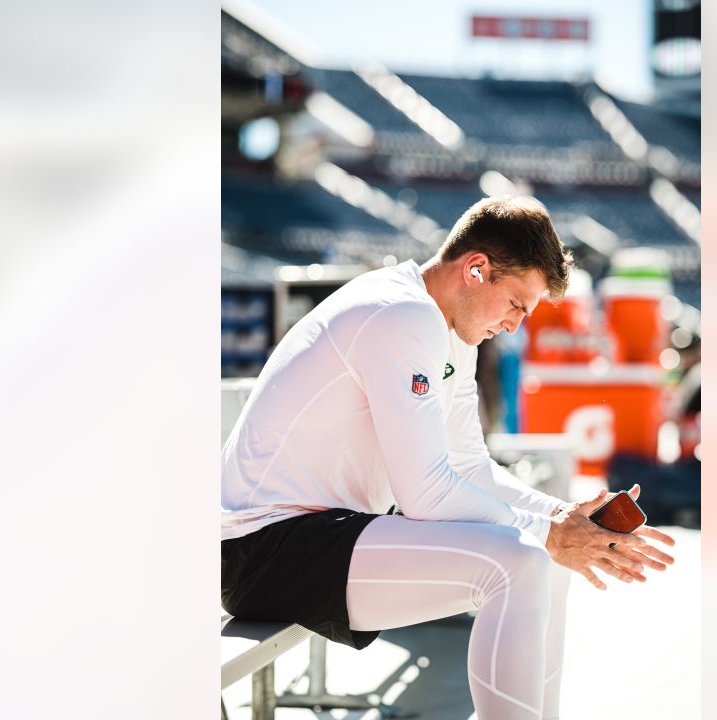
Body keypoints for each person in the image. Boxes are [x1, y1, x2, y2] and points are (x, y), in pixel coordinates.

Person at [221, 195, 676, 719]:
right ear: (476, 270)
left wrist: (559, 517)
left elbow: (468, 465)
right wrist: (550, 534)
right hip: (260, 548)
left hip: (323, 532)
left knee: (541, 557)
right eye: (515, 305)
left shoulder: (451, 329)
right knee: (520, 561)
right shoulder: (401, 312)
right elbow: (426, 493)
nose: (514, 327)